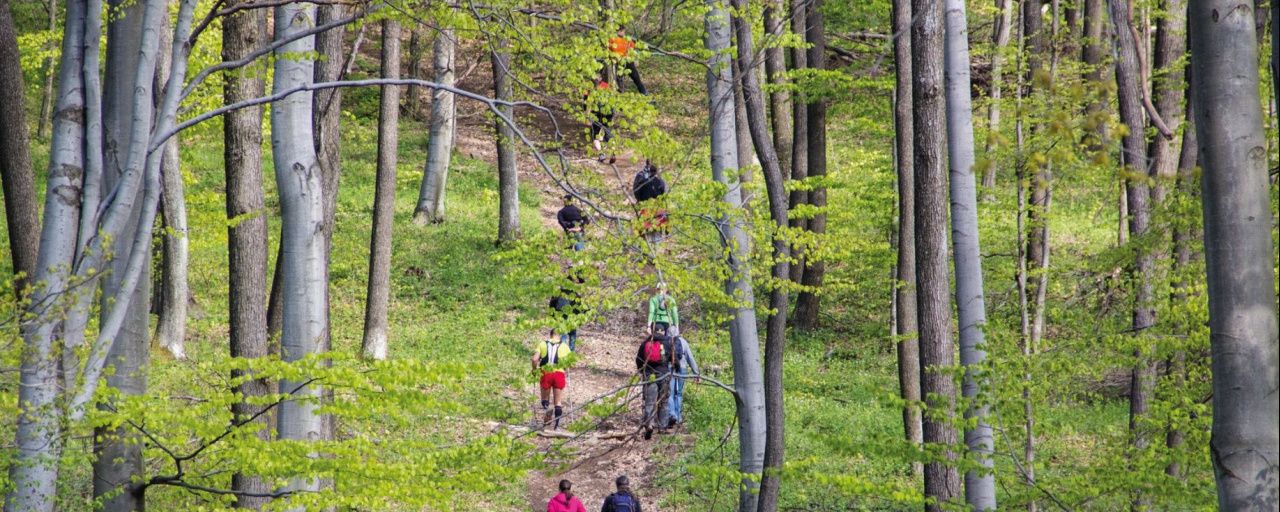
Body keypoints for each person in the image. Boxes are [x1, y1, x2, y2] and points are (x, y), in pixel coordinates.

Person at [634, 329, 672, 439]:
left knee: (649, 401)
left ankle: (649, 425)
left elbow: (638, 360)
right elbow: (674, 358)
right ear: (663, 332)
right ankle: (663, 426)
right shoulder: (667, 343)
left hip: (649, 374)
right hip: (663, 375)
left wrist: (642, 370)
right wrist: (675, 367)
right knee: (663, 401)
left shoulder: (646, 343)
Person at [532, 330, 573, 429]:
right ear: (560, 336)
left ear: (550, 335)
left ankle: (547, 407)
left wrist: (534, 370)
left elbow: (534, 359)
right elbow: (570, 364)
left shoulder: (542, 343)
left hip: (546, 372)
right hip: (559, 373)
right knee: (558, 402)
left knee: (545, 399)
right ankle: (557, 425)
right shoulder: (565, 346)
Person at [667, 334, 699, 427]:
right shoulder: (683, 341)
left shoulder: (666, 341)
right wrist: (696, 373)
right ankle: (678, 417)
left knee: (670, 393)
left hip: (670, 369)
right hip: (682, 368)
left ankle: (672, 415)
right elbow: (690, 358)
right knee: (679, 393)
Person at [608, 27, 648, 96]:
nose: (624, 32)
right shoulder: (613, 39)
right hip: (620, 62)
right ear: (619, 31)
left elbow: (632, 48)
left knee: (634, 78)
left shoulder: (627, 39)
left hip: (626, 61)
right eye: (623, 31)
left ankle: (643, 92)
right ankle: (620, 94)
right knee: (621, 79)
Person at [586, 75, 616, 163]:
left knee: (595, 136)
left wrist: (587, 118)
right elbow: (612, 103)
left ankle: (601, 154)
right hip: (608, 113)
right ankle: (613, 152)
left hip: (596, 115)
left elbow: (589, 106)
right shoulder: (607, 90)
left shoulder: (592, 92)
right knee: (609, 135)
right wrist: (613, 116)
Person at [549, 284, 583, 351]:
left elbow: (551, 306)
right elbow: (579, 308)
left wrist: (553, 317)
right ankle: (572, 351)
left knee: (563, 334)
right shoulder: (575, 294)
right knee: (572, 335)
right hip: (572, 318)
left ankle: (563, 350)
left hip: (560, 317)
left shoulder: (557, 294)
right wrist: (578, 318)